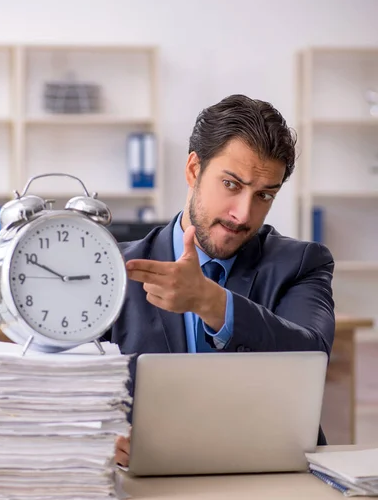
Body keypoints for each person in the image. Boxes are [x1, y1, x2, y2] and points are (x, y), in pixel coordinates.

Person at [108, 94, 335, 467]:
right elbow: (62, 390)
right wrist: (91, 434)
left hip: (269, 477)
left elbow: (312, 356)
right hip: (145, 482)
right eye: (231, 184)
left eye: (264, 195)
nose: (243, 214)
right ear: (194, 170)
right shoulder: (115, 268)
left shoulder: (303, 263)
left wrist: (211, 303)